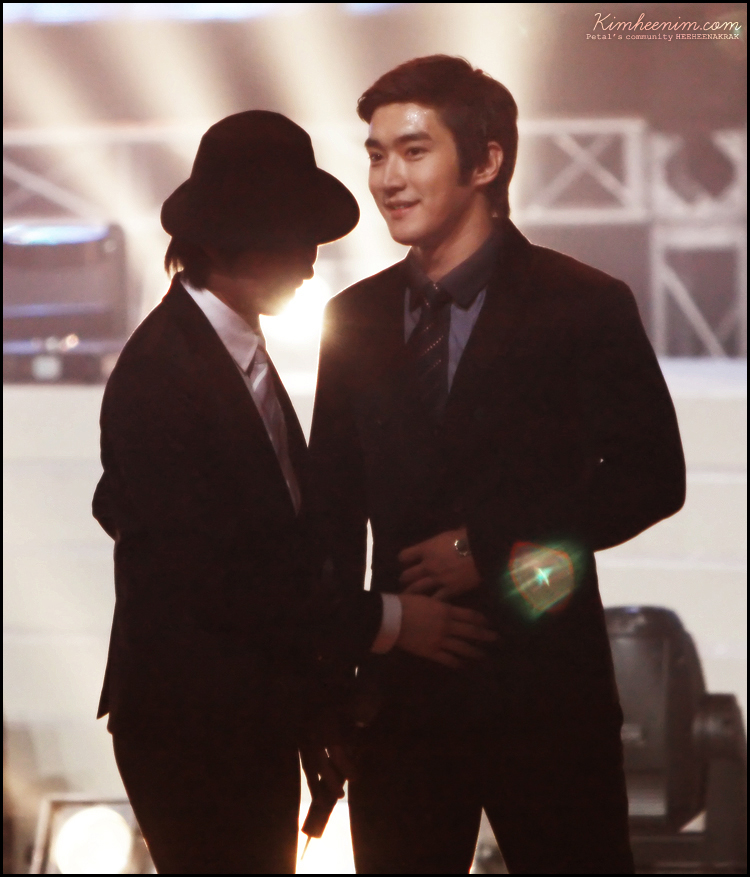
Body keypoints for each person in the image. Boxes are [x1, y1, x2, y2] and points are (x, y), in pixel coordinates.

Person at [308, 56, 687, 874]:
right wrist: (332, 684)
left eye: (414, 151)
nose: (387, 179)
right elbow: (329, 518)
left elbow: (653, 476)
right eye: (376, 154)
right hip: (402, 702)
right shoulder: (353, 318)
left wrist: (492, 543)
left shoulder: (583, 303)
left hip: (547, 692)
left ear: (486, 161)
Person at [92, 110, 494, 874]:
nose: (312, 259)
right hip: (193, 724)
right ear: (225, 242)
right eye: (292, 234)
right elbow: (218, 579)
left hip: (242, 714)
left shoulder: (227, 352)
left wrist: (319, 701)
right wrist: (390, 620)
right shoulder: (162, 375)